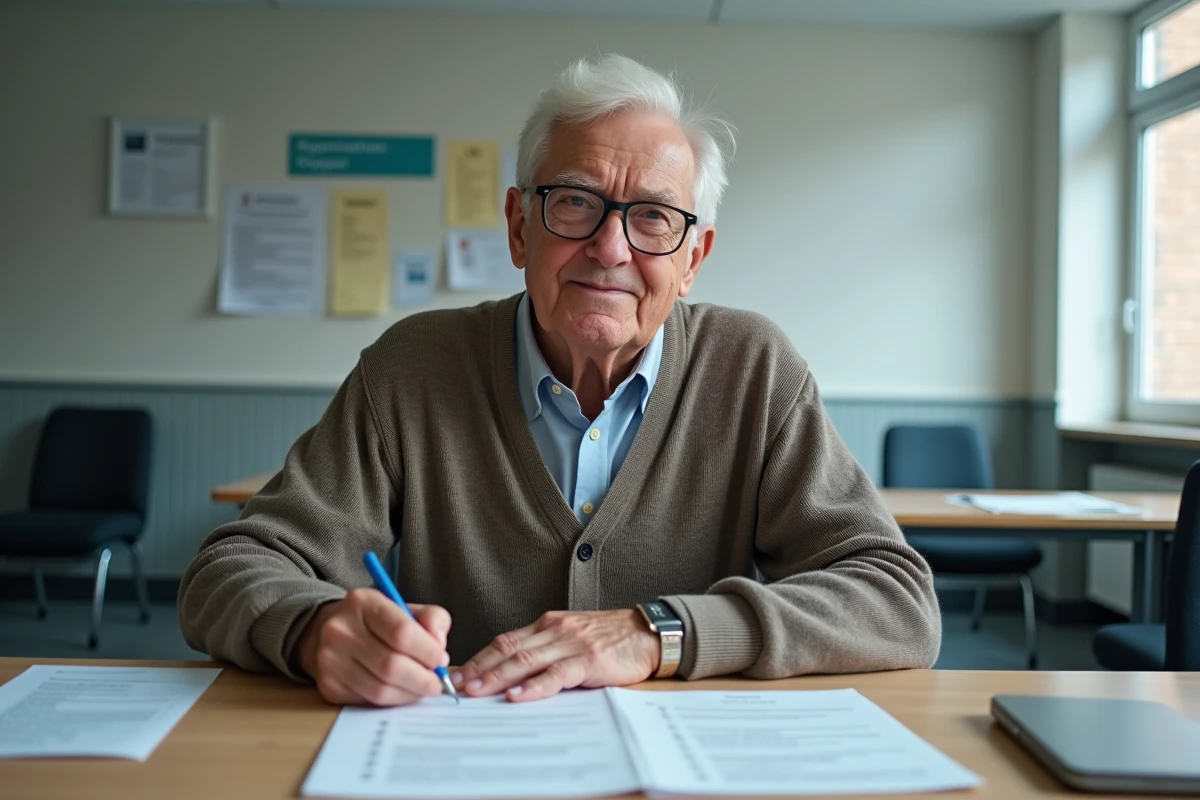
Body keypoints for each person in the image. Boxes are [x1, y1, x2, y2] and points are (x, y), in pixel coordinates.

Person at [178, 53, 940, 707]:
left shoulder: (752, 368)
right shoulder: (412, 368)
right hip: (461, 760)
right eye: (576, 202)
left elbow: (897, 601)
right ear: (519, 226)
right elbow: (228, 571)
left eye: (652, 220)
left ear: (692, 261)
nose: (610, 248)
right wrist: (314, 631)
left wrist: (659, 633)